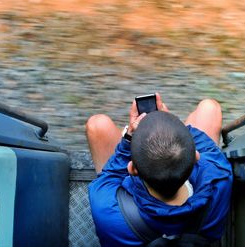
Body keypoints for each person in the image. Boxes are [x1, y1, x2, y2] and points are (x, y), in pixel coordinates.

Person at [86, 93, 233, 247]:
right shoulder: (220, 181)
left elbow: (109, 176)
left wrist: (128, 139)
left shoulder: (107, 210)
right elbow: (209, 150)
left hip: (133, 219)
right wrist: (172, 125)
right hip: (195, 229)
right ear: (196, 156)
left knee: (97, 124)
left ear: (132, 168)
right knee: (209, 107)